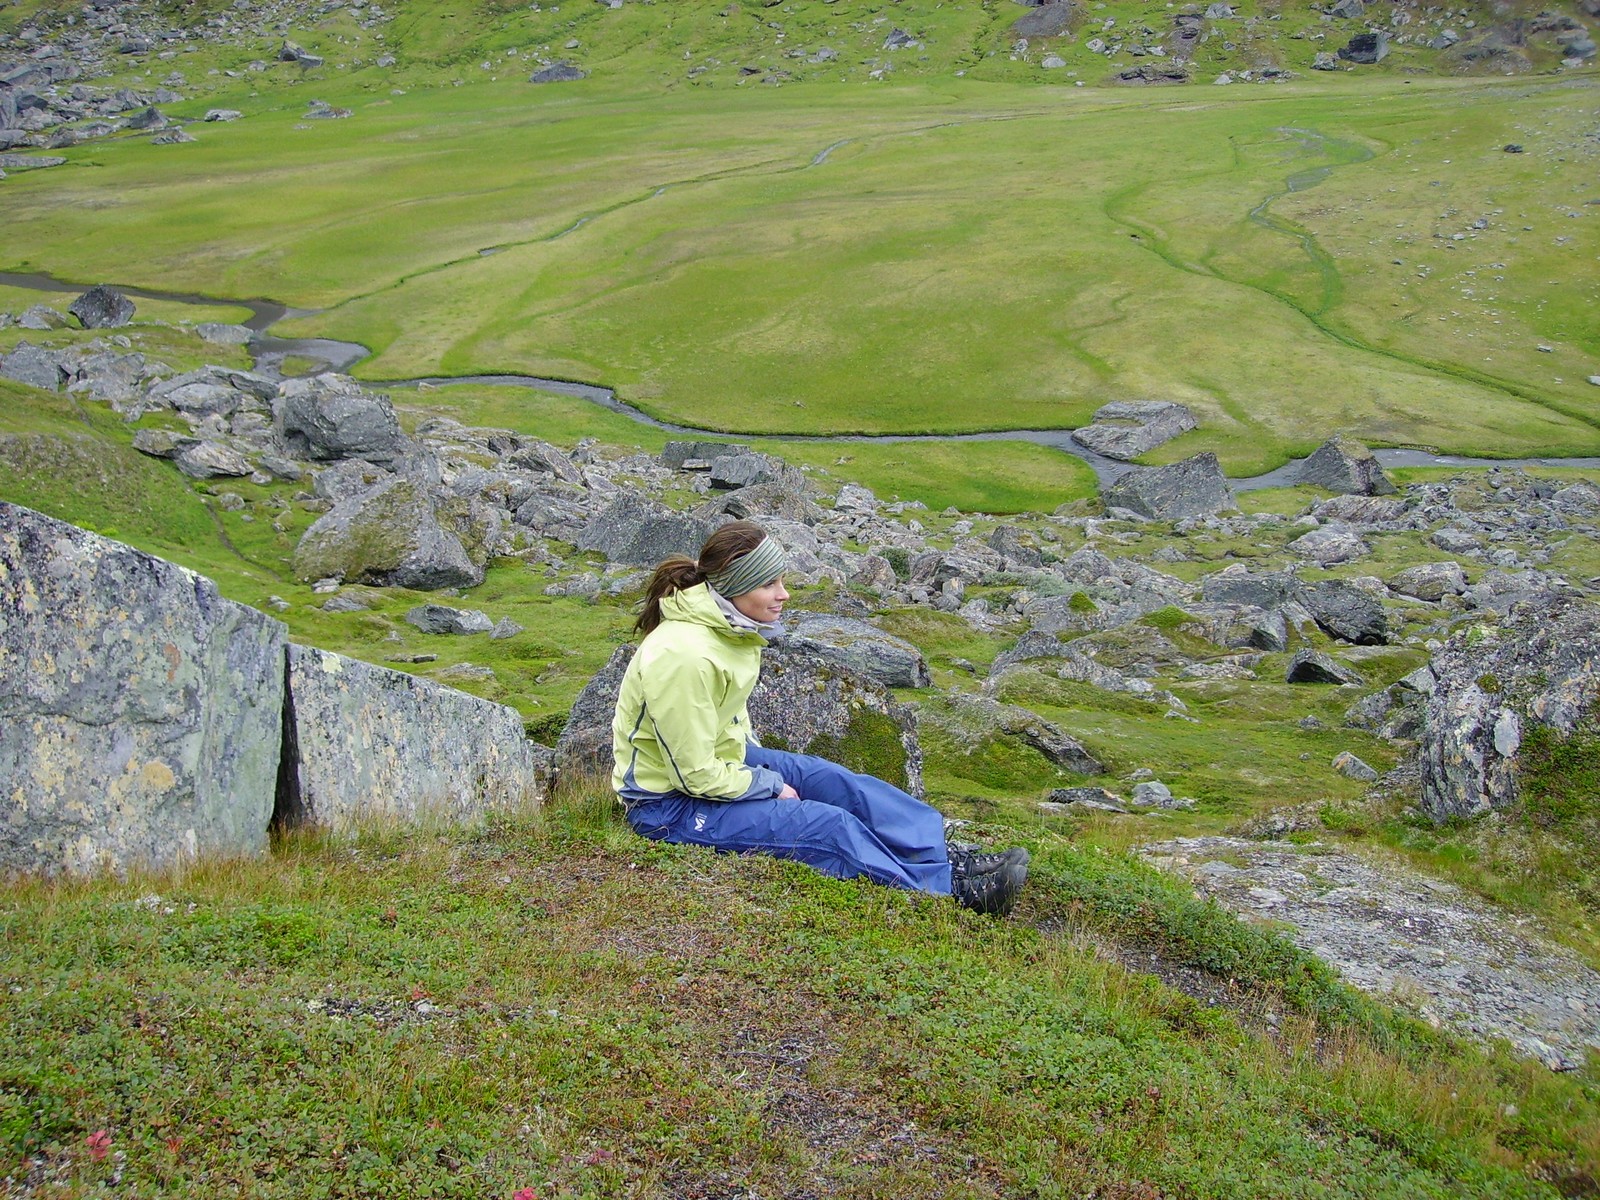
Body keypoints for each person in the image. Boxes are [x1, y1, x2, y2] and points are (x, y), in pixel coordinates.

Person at [610, 519, 1029, 916]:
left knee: (834, 781)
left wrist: (764, 773)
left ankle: (939, 854)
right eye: (769, 583)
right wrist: (768, 785)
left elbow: (726, 719)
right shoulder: (683, 656)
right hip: (668, 808)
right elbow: (693, 776)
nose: (784, 594)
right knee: (828, 827)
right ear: (735, 587)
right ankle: (944, 891)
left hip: (723, 761)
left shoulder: (727, 626)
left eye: (782, 580)